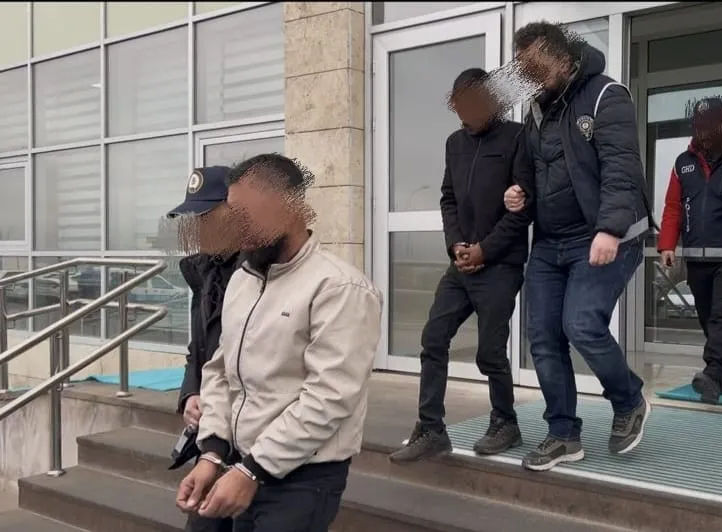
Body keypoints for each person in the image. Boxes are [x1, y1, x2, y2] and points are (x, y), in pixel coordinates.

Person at [175, 154, 383, 531]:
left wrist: (252, 471)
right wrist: (212, 452)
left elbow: (329, 398)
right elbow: (220, 371)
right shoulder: (243, 280)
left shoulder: (340, 288)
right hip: (240, 462)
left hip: (302, 478)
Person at [504, 21, 656, 471]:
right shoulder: (535, 111)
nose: (530, 76)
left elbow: (621, 167)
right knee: (543, 337)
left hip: (605, 235)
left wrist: (609, 229)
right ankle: (563, 434)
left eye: (537, 66)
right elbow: (536, 173)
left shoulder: (607, 95)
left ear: (564, 59)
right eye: (523, 68)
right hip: (550, 242)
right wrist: (519, 194)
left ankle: (628, 400)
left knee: (582, 324)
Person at [389, 68, 533, 463]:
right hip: (461, 262)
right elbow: (448, 198)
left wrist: (485, 250)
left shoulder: (517, 137)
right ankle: (431, 429)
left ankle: (505, 422)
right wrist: (456, 245)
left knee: (490, 351)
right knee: (433, 338)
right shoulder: (454, 143)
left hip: (500, 265)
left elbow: (524, 208)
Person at [657, 97, 722, 404]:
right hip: (697, 255)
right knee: (708, 317)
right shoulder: (683, 162)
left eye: (709, 126)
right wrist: (667, 245)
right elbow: (673, 206)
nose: (703, 133)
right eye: (698, 126)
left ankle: (713, 373)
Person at [167, 166, 242, 532]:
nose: (199, 227)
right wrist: (190, 393)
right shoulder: (205, 272)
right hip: (212, 430)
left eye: (208, 216)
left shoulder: (261, 274)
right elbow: (198, 350)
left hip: (251, 431)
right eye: (195, 219)